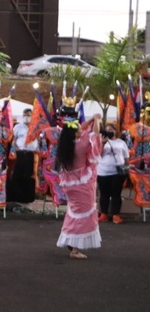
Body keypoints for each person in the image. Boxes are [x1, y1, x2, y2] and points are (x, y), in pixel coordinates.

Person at [55, 105, 102, 260]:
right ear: (75, 132)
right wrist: (96, 120)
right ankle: (74, 248)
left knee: (74, 212)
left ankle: (71, 240)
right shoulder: (81, 145)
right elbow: (96, 135)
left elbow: (78, 129)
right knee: (84, 214)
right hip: (82, 183)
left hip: (70, 182)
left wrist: (90, 119)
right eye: (79, 130)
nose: (82, 130)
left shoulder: (66, 144)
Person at [97, 123, 129, 224]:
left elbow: (126, 158)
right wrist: (102, 143)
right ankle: (104, 214)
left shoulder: (121, 143)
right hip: (103, 172)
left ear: (115, 131)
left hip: (117, 172)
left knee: (116, 194)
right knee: (104, 194)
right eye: (107, 130)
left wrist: (127, 170)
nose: (109, 132)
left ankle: (116, 215)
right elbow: (97, 155)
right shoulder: (101, 142)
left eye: (111, 129)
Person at [7, 108, 38, 206]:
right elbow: (13, 139)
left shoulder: (36, 127)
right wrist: (14, 151)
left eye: (29, 115)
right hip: (20, 153)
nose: (26, 117)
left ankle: (27, 198)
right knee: (17, 174)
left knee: (29, 175)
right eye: (25, 115)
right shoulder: (18, 127)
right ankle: (15, 197)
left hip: (31, 154)